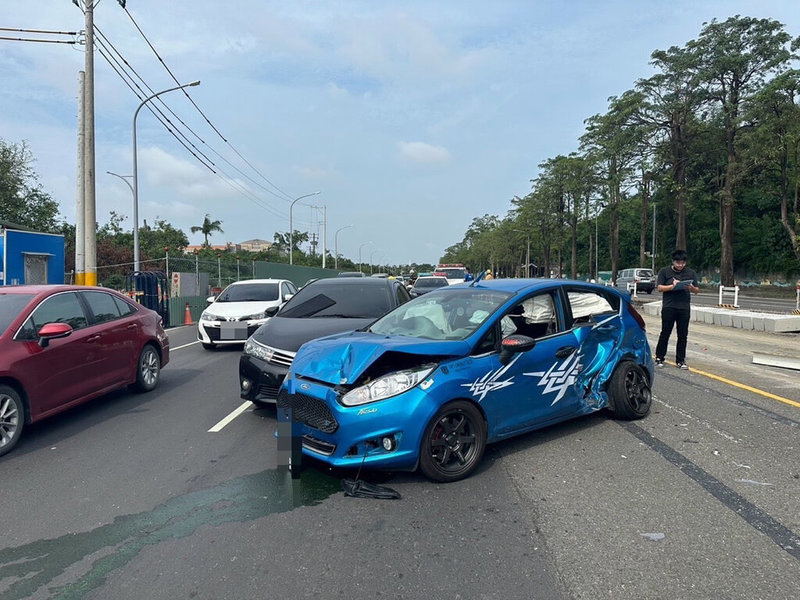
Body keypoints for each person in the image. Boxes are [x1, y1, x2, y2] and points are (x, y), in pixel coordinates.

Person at [654, 249, 700, 369]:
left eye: (683, 263)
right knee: (665, 332)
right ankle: (659, 357)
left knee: (683, 335)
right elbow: (659, 288)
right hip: (669, 306)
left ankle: (680, 360)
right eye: (678, 263)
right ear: (673, 261)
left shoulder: (690, 272)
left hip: (684, 307)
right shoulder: (665, 271)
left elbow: (697, 290)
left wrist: (691, 287)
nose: (680, 265)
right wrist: (672, 286)